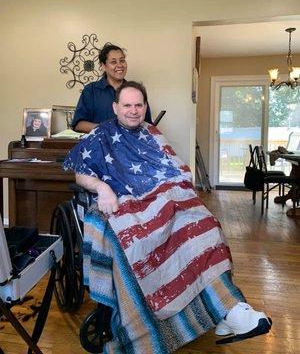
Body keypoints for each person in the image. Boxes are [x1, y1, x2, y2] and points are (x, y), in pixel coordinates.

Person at [64, 82, 272, 354]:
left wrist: (174, 192)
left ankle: (226, 310)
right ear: (116, 107)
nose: (133, 110)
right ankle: (226, 311)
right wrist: (103, 188)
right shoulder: (102, 134)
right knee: (145, 240)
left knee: (204, 227)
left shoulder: (152, 132)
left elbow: (177, 168)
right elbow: (80, 173)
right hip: (124, 203)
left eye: (139, 105)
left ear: (145, 106)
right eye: (127, 105)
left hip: (163, 200)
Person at [71, 42, 152, 133]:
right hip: (100, 144)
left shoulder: (135, 91)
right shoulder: (90, 90)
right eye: (113, 62)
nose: (120, 65)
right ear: (103, 66)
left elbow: (147, 124)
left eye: (122, 60)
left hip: (131, 145)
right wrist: (108, 130)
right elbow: (78, 124)